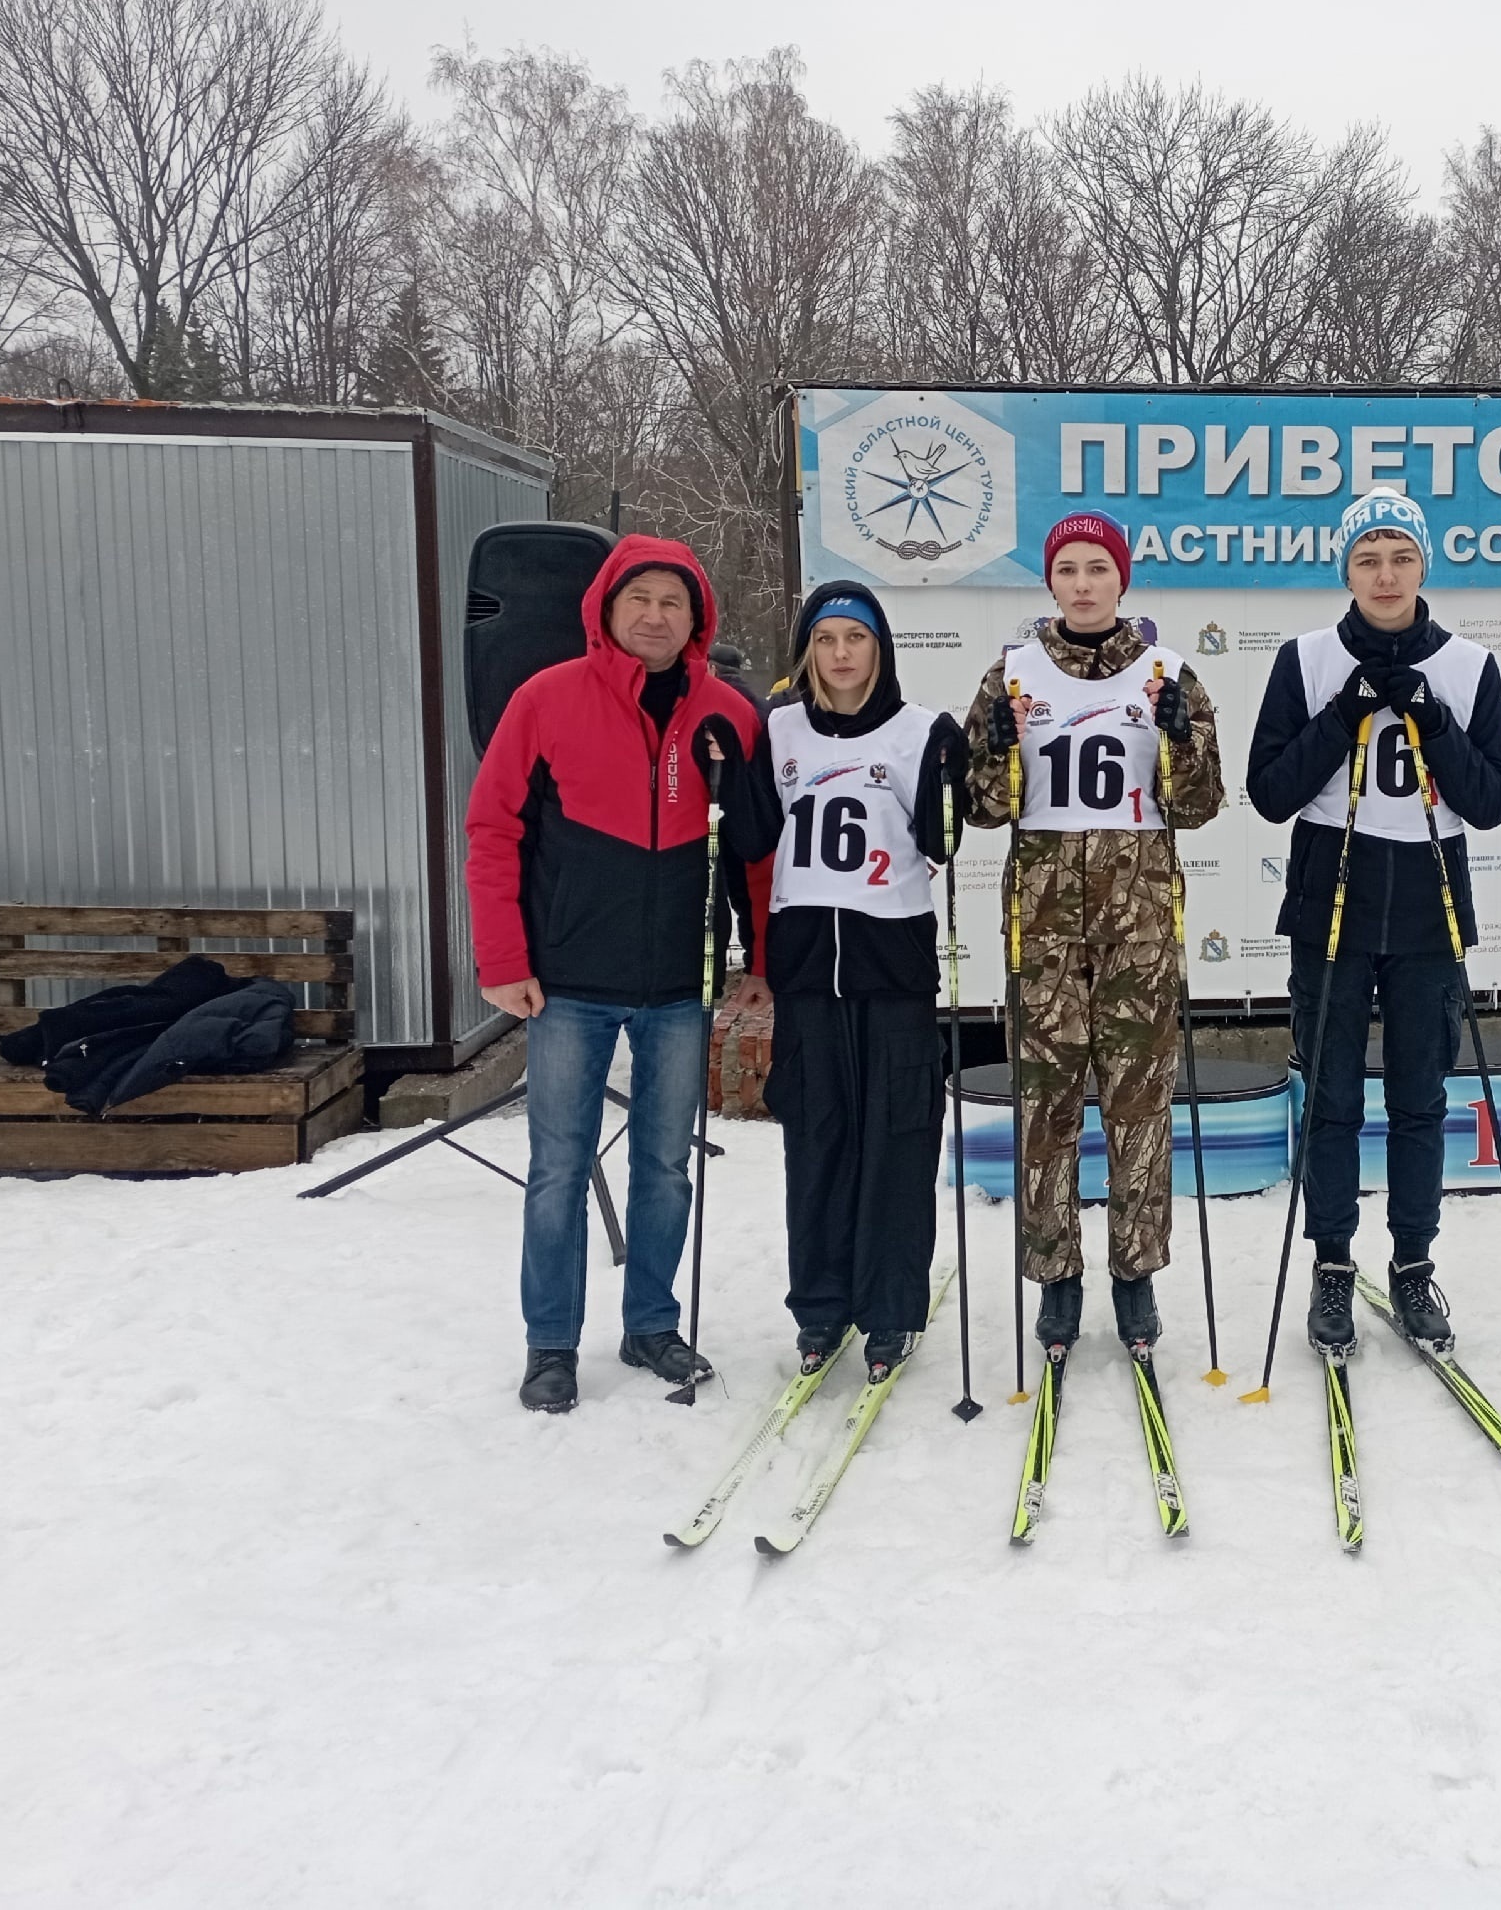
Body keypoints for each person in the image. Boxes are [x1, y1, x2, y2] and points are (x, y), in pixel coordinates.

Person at [465, 534, 768, 1413]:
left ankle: (652, 1325)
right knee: (558, 1166)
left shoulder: (731, 714)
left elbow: (755, 853)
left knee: (665, 1166)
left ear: (697, 617)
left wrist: (763, 958)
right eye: (639, 597)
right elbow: (494, 831)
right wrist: (504, 958)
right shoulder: (544, 699)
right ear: (605, 606)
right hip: (566, 983)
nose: (654, 615)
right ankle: (550, 1342)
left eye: (673, 601)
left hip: (681, 982)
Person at [1244, 490, 1501, 1356]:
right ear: (1346, 570)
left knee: (1419, 1100)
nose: (1386, 573)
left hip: (1429, 898)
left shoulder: (1470, 666)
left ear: (1423, 565)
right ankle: (1333, 1266)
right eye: (1368, 557)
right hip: (1332, 894)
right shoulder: (1306, 658)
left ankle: (1410, 1264)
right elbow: (1270, 791)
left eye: (1400, 554)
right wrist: (1343, 716)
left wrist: (1431, 719)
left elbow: (1495, 798)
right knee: (1329, 1098)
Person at [962, 511, 1223, 1357]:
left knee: (1139, 1103)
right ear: (1050, 581)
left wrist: (1182, 736)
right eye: (1068, 568)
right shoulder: (1011, 674)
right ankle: (1057, 1276)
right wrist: (994, 753)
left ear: (1123, 580)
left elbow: (1198, 804)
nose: (1082, 583)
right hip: (1040, 919)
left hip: (1139, 920)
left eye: (1097, 569)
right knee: (1046, 1104)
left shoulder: (1165, 671)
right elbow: (985, 806)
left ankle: (1135, 1273)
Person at [728, 582, 967, 1380]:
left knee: (897, 1138)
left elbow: (944, 840)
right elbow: (756, 835)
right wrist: (726, 770)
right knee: (819, 1138)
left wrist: (951, 775)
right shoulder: (779, 726)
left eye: (854, 640)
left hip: (891, 962)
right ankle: (822, 1307)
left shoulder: (918, 729)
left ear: (879, 649)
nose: (839, 655)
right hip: (806, 970)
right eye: (825, 639)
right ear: (807, 650)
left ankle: (891, 1307)